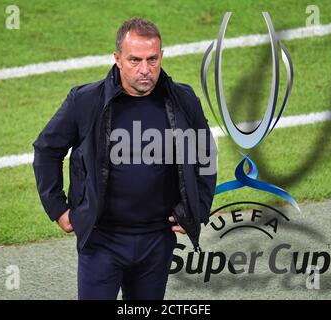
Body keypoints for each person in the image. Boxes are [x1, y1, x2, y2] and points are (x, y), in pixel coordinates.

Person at [32, 17, 216, 300]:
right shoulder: (84, 101)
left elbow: (205, 152)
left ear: (162, 56)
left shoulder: (183, 99)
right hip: (102, 241)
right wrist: (58, 209)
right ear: (117, 59)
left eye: (152, 59)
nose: (145, 70)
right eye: (135, 60)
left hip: (157, 240)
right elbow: (47, 149)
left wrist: (199, 208)